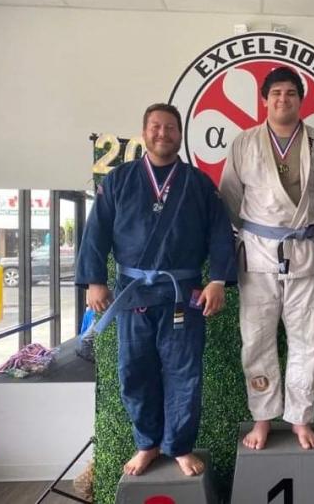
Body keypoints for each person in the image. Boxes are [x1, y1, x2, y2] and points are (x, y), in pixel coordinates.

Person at [75, 103, 236, 477]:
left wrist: (217, 280)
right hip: (133, 293)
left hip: (183, 293)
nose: (163, 133)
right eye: (155, 127)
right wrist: (95, 280)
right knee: (134, 371)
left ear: (180, 134)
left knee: (185, 373)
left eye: (170, 128)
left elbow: (219, 234)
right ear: (145, 132)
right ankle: (147, 444)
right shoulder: (119, 179)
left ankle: (179, 446)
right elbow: (96, 231)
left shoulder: (198, 183)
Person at [219, 66, 314, 451]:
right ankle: (262, 417)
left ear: (300, 100)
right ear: (265, 100)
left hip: (305, 253)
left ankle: (301, 418)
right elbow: (230, 198)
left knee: (308, 340)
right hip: (257, 255)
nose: (283, 99)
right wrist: (257, 233)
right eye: (276, 94)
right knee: (256, 338)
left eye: (290, 93)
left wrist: (306, 228)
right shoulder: (244, 143)